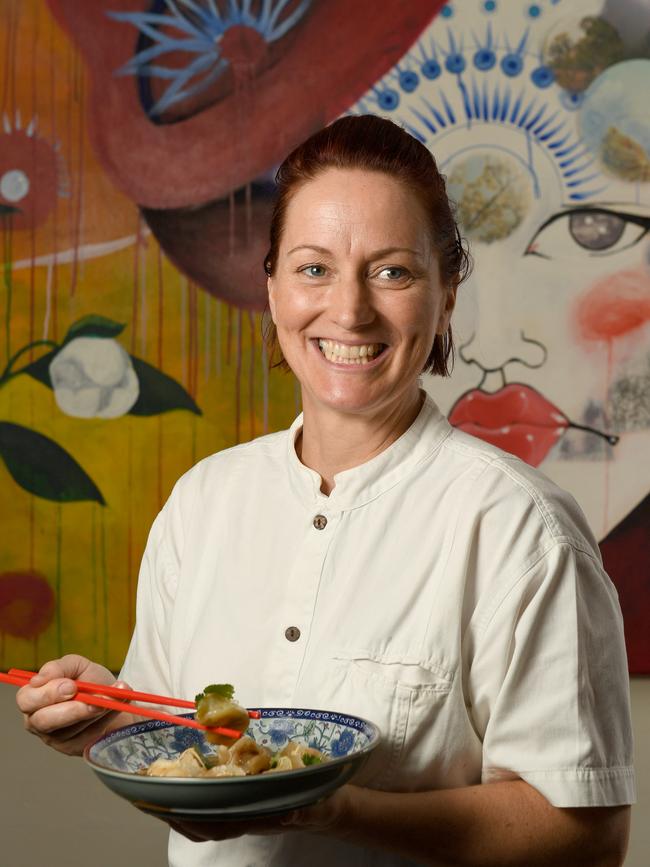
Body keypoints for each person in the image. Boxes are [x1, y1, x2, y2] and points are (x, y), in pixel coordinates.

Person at [16, 115, 634, 867]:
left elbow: (588, 837)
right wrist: (102, 710)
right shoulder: (204, 501)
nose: (349, 310)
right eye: (314, 269)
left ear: (445, 295)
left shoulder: (520, 527)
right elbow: (176, 743)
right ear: (272, 287)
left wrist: (338, 809)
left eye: (392, 271)